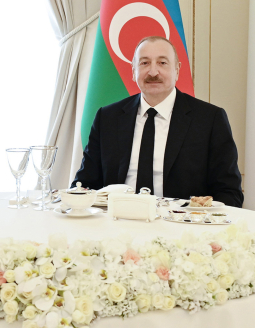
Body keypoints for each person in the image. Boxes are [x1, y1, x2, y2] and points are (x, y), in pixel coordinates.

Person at [73, 36, 243, 206]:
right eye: (144, 63)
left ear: (177, 70)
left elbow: (229, 193)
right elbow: (84, 186)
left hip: (182, 226)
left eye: (162, 63)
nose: (153, 72)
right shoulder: (107, 118)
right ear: (133, 71)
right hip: (117, 222)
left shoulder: (210, 119)